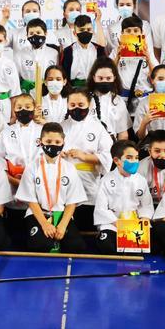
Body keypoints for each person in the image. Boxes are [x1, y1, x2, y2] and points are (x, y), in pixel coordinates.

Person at [16, 123, 88, 253]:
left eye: (57, 141)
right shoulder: (32, 167)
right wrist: (44, 224)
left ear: (63, 143)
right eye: (48, 141)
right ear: (40, 142)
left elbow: (72, 201)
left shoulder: (69, 168)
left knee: (77, 246)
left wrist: (63, 224)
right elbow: (31, 200)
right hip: (38, 214)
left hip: (61, 214)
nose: (53, 145)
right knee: (39, 246)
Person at [0, 93, 44, 234]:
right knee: (13, 228)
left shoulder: (42, 131)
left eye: (27, 106)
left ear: (34, 109)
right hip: (13, 181)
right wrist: (11, 179)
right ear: (14, 110)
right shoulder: (6, 132)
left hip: (37, 182)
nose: (23, 110)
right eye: (19, 107)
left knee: (33, 220)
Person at [61, 88, 113, 230]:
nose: (76, 108)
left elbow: (108, 155)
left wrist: (83, 156)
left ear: (89, 105)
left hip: (88, 179)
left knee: (86, 220)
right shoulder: (62, 126)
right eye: (72, 105)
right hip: (64, 180)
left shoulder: (98, 128)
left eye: (81, 105)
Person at [92, 140, 154, 255]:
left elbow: (146, 205)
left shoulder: (141, 180)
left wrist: (144, 219)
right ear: (117, 161)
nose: (134, 161)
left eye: (136, 157)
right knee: (106, 244)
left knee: (151, 244)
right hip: (113, 223)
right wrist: (118, 223)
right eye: (129, 157)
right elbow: (101, 208)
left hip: (135, 223)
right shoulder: (106, 180)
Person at [114, 15, 158, 106]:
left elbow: (156, 78)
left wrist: (148, 59)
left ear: (142, 33)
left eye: (136, 30)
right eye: (128, 31)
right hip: (124, 100)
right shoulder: (117, 51)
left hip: (145, 99)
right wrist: (117, 58)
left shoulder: (148, 52)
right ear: (122, 33)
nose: (132, 33)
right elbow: (109, 75)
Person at [87, 58, 131, 140]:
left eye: (108, 78)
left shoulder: (118, 101)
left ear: (114, 78)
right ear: (94, 77)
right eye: (100, 78)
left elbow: (123, 134)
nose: (104, 81)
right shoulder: (84, 98)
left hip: (111, 145)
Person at [14, 18, 60, 97]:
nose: (35, 35)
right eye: (31, 33)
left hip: (48, 92)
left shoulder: (54, 53)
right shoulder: (20, 54)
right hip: (26, 94)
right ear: (27, 35)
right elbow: (15, 78)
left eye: (38, 32)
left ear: (45, 33)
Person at [136, 130, 165, 207]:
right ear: (150, 152)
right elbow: (137, 196)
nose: (162, 155)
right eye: (157, 151)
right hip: (147, 205)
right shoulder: (140, 167)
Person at [60, 14, 106, 87]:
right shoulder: (68, 51)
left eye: (88, 29)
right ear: (75, 33)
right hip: (74, 90)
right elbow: (64, 74)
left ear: (92, 31)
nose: (86, 32)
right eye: (81, 30)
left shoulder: (99, 50)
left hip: (95, 89)